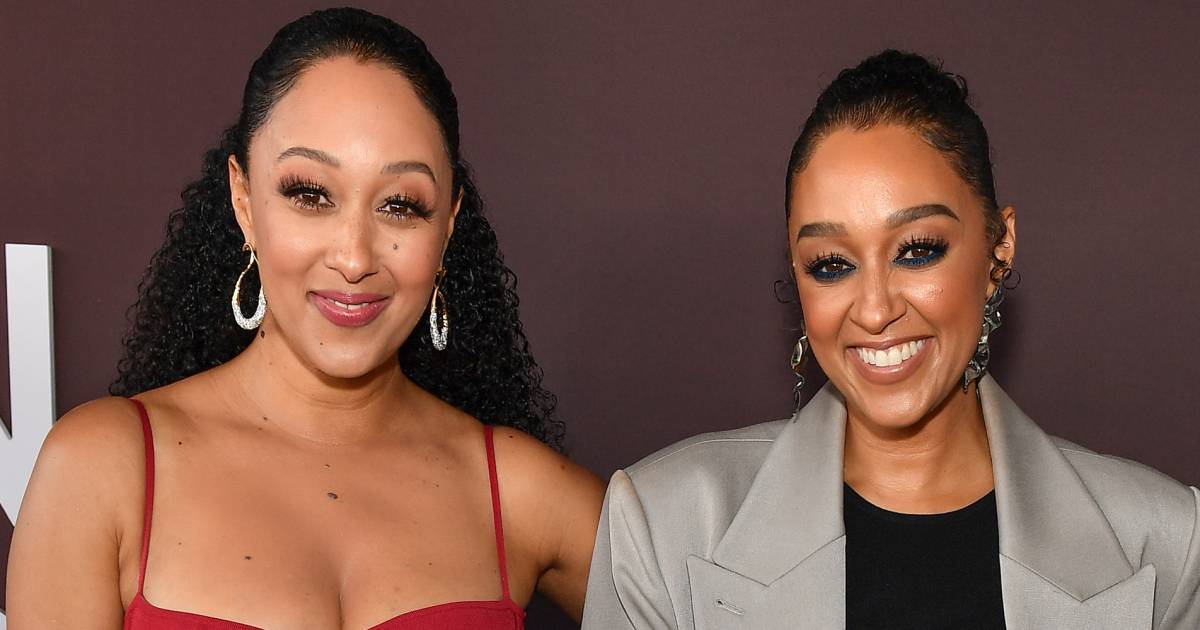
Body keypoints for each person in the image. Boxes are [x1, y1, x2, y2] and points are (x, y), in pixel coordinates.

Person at [7, 8, 603, 629]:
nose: (354, 258)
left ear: (448, 224)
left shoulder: (516, 490)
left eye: (400, 205)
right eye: (310, 195)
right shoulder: (104, 470)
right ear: (243, 200)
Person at [582, 50, 1199, 629]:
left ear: (999, 246)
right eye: (831, 264)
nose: (875, 310)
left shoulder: (1165, 546)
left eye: (918, 250)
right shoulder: (665, 528)